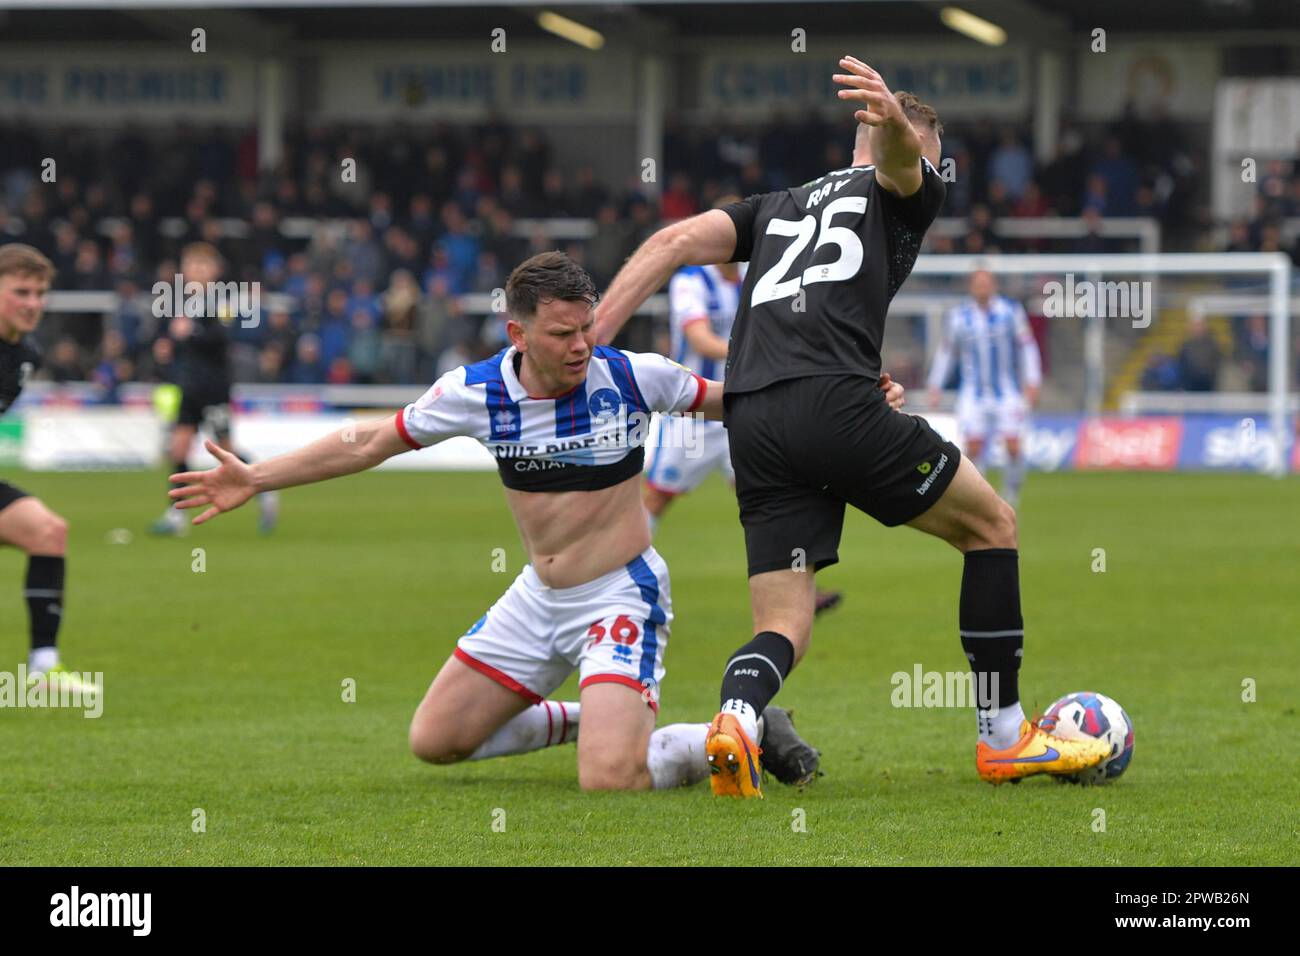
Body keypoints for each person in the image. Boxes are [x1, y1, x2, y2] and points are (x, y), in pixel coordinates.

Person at [169, 252, 906, 790]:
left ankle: (728, 731)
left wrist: (850, 394)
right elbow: (368, 440)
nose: (581, 344)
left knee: (609, 784)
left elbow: (746, 399)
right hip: (536, 600)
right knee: (434, 742)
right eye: (562, 334)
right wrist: (256, 476)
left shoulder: (630, 376)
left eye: (586, 327)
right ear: (518, 334)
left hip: (620, 595)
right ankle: (599, 712)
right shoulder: (476, 393)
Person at [594, 57, 1108, 796]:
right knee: (992, 525)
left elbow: (672, 243)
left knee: (787, 620)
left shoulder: (773, 206)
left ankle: (737, 718)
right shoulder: (904, 187)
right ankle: (1004, 737)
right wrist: (899, 129)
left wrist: (596, 344)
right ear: (918, 154)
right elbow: (901, 165)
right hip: (835, 408)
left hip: (753, 417)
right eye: (930, 164)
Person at [644, 198, 845, 614]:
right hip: (694, 410)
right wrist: (754, 352)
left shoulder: (760, 277)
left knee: (772, 498)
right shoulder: (690, 280)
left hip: (743, 410)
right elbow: (698, 339)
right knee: (656, 498)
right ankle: (617, 578)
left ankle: (803, 592)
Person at [0, 244, 95, 690]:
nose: (33, 303)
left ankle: (43, 666)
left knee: (48, 532)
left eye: (40, 293)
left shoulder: (25, 355)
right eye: (21, 291)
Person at [149, 242, 279, 535]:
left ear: (215, 271)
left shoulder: (222, 302)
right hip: (189, 388)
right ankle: (176, 517)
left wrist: (190, 333)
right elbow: (175, 339)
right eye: (192, 265)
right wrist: (166, 347)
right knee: (178, 448)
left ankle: (266, 487)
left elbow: (222, 338)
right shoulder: (179, 302)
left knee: (225, 451)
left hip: (214, 388)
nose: (196, 271)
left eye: (202, 266)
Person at [926, 269, 1041, 508]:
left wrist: (1032, 380)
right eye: (978, 283)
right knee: (974, 448)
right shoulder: (960, 316)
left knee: (1013, 445)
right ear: (971, 286)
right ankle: (983, 498)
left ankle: (1011, 494)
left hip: (1006, 392)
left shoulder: (1010, 312)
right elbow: (947, 353)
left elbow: (1027, 347)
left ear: (993, 285)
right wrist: (935, 384)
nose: (982, 287)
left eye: (986, 283)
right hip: (973, 394)